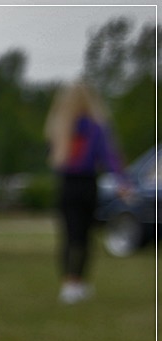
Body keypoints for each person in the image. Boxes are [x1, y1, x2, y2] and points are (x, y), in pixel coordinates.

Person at [44, 80, 130, 304]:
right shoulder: (96, 128)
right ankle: (79, 281)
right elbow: (109, 157)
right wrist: (122, 181)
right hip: (87, 184)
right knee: (85, 235)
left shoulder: (58, 127)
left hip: (66, 185)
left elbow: (52, 158)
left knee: (68, 236)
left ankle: (68, 283)